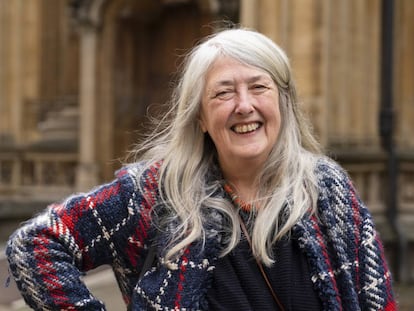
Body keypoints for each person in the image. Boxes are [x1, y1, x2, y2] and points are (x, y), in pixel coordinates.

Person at [6, 27, 396, 311]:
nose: (244, 105)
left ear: (284, 102)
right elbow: (35, 244)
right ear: (201, 118)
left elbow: (378, 299)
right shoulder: (153, 194)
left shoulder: (327, 189)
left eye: (259, 87)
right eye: (223, 92)